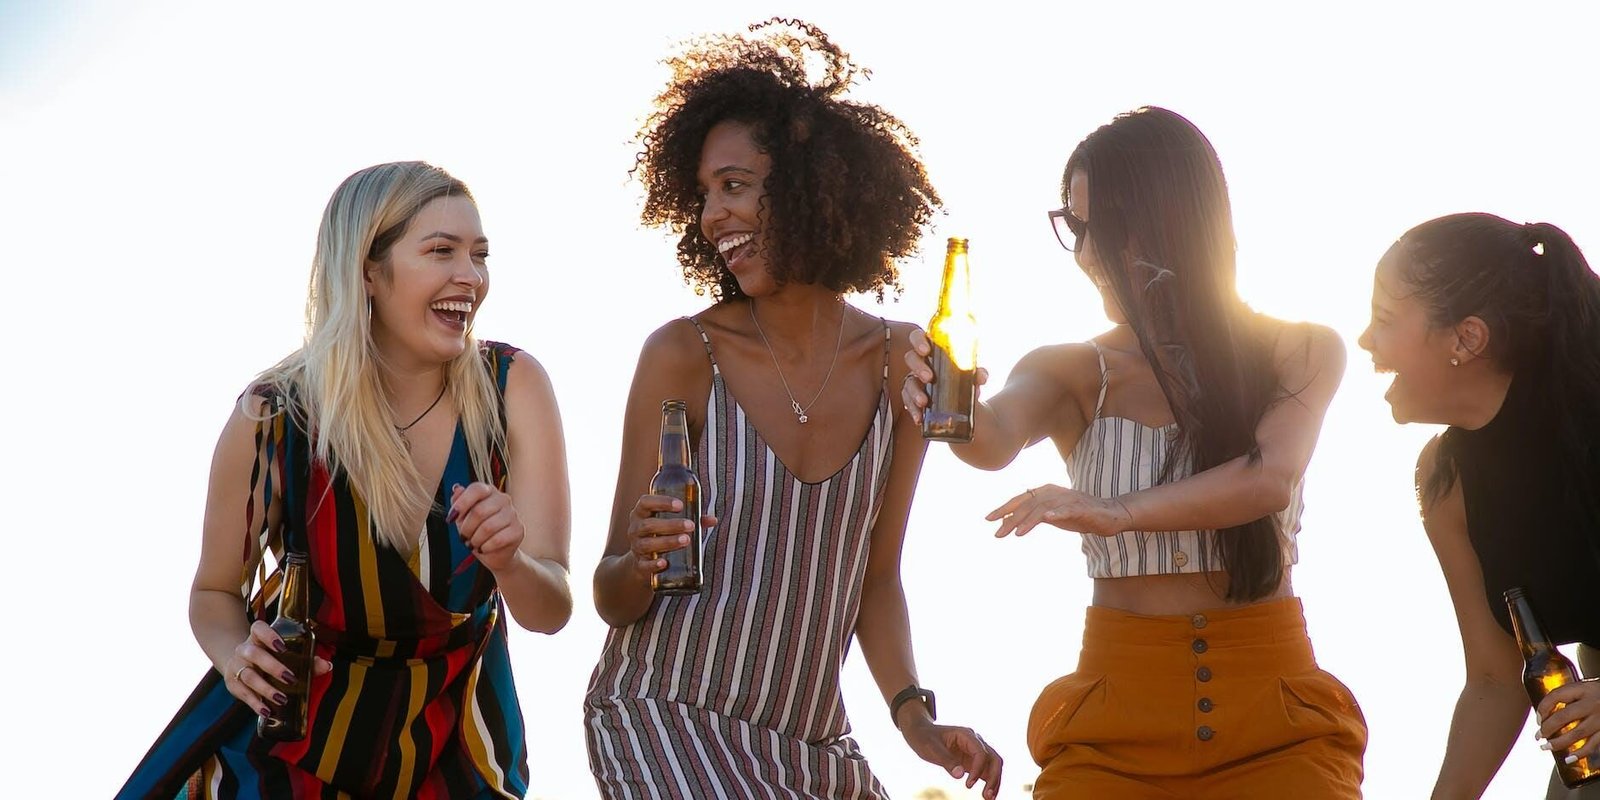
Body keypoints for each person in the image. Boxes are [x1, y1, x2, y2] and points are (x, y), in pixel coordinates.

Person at [582, 19, 1003, 800]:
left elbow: (874, 579)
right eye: (705, 195)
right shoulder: (682, 355)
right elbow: (611, 592)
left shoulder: (900, 362)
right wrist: (641, 559)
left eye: (734, 186)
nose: (712, 217)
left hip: (810, 743)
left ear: (812, 185)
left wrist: (914, 719)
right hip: (662, 717)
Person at [903, 106, 1367, 799]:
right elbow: (991, 440)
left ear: (1175, 217)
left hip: (1274, 720)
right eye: (1075, 228)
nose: (1087, 254)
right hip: (1113, 723)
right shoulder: (1073, 368)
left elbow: (1268, 477)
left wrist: (1116, 510)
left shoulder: (1299, 349)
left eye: (1105, 229)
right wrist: (947, 402)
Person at [117, 161, 573, 799]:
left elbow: (550, 609)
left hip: (453, 742)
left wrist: (512, 560)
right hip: (289, 743)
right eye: (440, 251)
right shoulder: (273, 415)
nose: (469, 276)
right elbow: (215, 591)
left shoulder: (512, 387)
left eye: (479, 254)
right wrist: (235, 657)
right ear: (367, 270)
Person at [1359, 213, 1600, 799]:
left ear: (1466, 338)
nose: (1366, 340)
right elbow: (1495, 680)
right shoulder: (1446, 481)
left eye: (1385, 320)